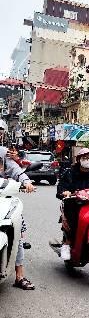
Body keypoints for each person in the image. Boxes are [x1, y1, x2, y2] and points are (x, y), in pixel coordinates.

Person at [0, 121, 37, 290]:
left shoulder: (5, 153)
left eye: (0, 131)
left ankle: (19, 276)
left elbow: (16, 170)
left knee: (18, 232)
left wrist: (26, 182)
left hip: (4, 199)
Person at [56, 148, 89, 261]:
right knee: (72, 221)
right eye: (85, 158)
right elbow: (61, 188)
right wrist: (65, 192)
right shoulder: (69, 173)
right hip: (74, 204)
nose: (87, 160)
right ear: (79, 159)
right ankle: (67, 243)